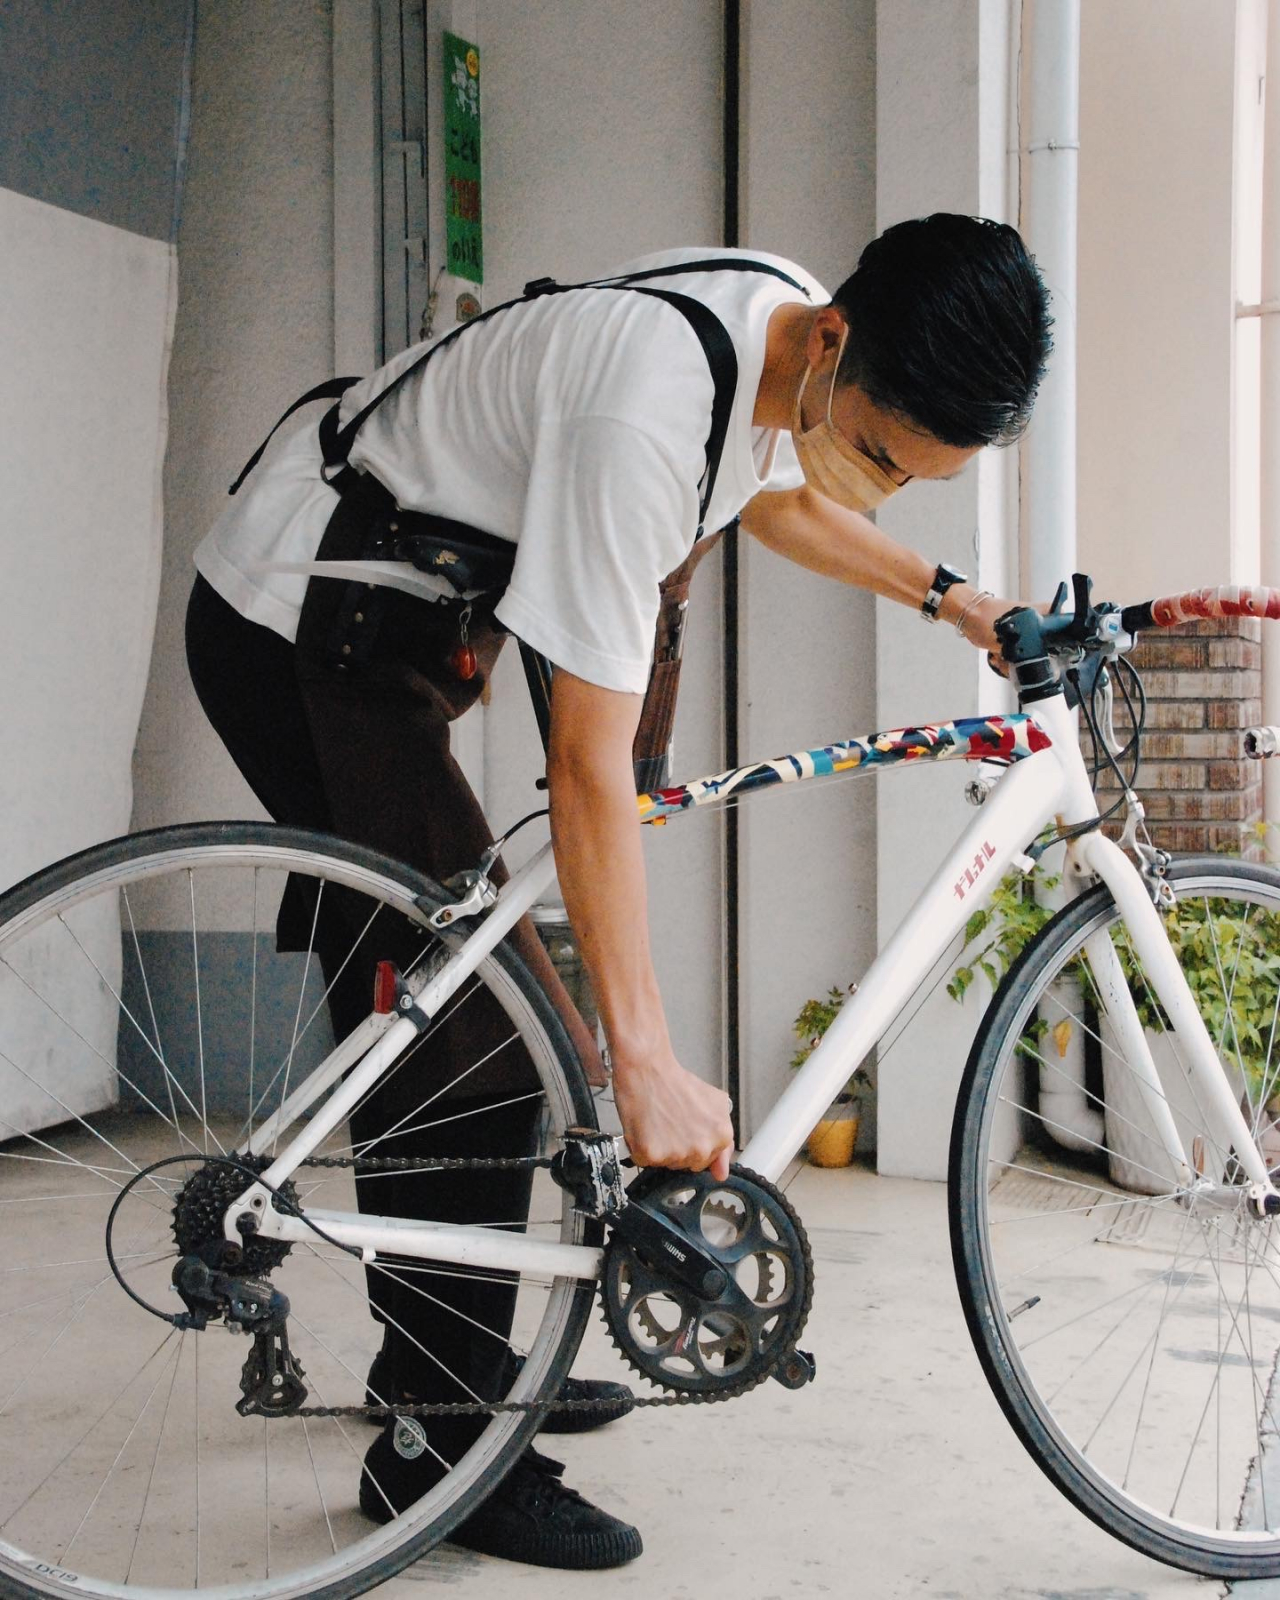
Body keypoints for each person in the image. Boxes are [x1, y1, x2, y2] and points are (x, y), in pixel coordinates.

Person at [185, 212, 1052, 1570]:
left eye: (916, 481)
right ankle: (437, 1440)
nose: (879, 489)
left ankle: (474, 1347)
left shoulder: (784, 329)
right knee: (481, 1035)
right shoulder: (644, 415)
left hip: (408, 610)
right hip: (299, 622)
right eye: (882, 452)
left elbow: (777, 493)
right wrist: (639, 1061)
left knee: (494, 992)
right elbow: (583, 768)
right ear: (836, 346)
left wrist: (956, 601)